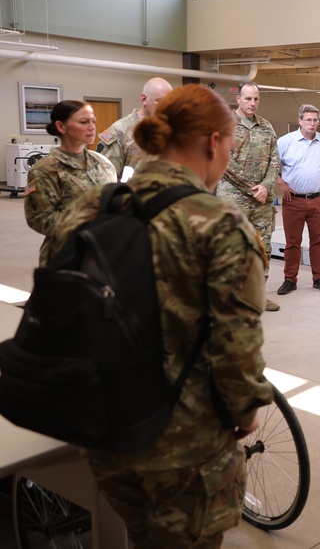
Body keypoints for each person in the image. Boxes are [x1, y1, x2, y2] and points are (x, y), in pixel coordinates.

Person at [50, 84, 273, 548]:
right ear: (214, 143)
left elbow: (59, 308)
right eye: (230, 147)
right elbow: (236, 349)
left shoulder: (91, 207)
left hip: (104, 431)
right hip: (184, 450)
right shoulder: (221, 225)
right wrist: (245, 412)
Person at [24, 100, 118, 266]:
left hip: (104, 252)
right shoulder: (45, 170)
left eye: (93, 121)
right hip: (66, 256)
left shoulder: (103, 163)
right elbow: (40, 219)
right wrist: (91, 218)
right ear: (61, 127)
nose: (92, 127)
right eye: (84, 122)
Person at [216, 81, 281, 312]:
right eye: (248, 98)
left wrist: (266, 185)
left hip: (262, 201)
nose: (252, 103)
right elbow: (225, 162)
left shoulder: (266, 127)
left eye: (256, 99)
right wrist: (252, 188)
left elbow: (275, 159)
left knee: (262, 249)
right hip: (234, 199)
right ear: (238, 99)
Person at [275, 104, 320, 295]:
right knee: (292, 242)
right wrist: (281, 183)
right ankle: (290, 279)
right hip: (293, 200)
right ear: (300, 121)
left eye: (315, 120)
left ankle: (319, 278)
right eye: (308, 119)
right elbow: (270, 165)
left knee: (318, 241)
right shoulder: (285, 142)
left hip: (319, 200)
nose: (312, 123)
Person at [97, 77, 173, 179]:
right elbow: (106, 177)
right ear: (144, 99)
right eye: (160, 101)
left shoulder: (172, 128)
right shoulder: (119, 131)